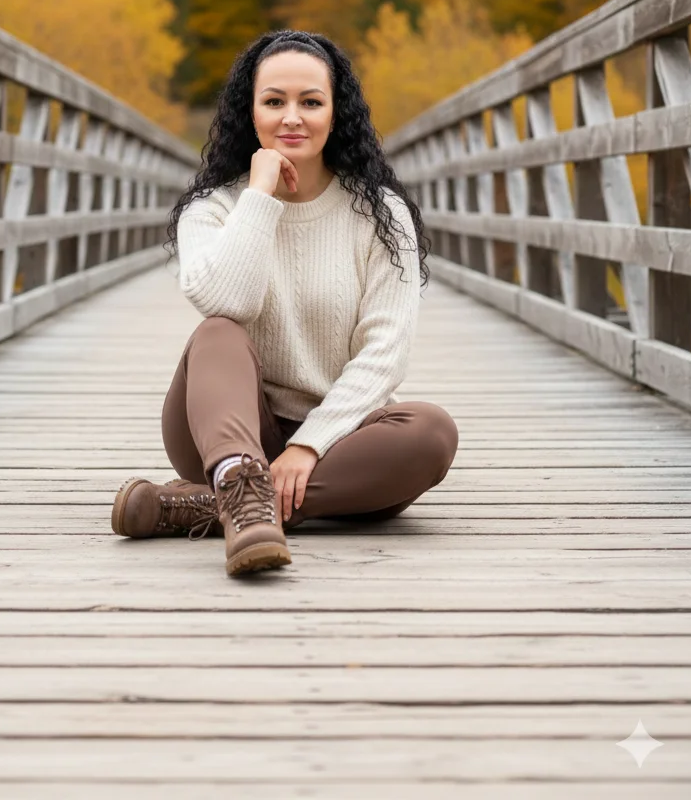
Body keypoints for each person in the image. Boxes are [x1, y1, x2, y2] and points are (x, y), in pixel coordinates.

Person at [111, 29, 459, 577]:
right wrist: (260, 197)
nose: (292, 117)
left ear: (335, 112)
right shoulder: (214, 209)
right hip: (226, 424)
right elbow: (226, 299)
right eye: (274, 101)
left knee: (432, 432)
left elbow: (385, 353)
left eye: (311, 102)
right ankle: (236, 478)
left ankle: (213, 505)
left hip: (342, 441)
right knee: (217, 333)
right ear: (248, 112)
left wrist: (311, 445)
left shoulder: (381, 214)